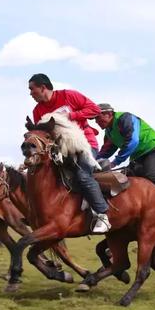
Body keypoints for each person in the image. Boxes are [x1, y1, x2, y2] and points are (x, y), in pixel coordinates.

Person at [28, 73, 110, 234]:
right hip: (60, 150)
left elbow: (94, 110)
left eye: (32, 89)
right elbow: (43, 137)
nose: (30, 93)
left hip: (85, 145)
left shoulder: (69, 96)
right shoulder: (37, 111)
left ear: (43, 87)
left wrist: (70, 116)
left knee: (83, 175)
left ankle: (102, 215)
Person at [95, 103, 155, 200]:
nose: (96, 122)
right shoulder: (109, 132)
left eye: (97, 118)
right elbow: (105, 152)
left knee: (151, 174)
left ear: (108, 114)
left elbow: (133, 141)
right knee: (124, 181)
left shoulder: (124, 118)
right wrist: (91, 162)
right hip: (138, 158)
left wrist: (115, 162)